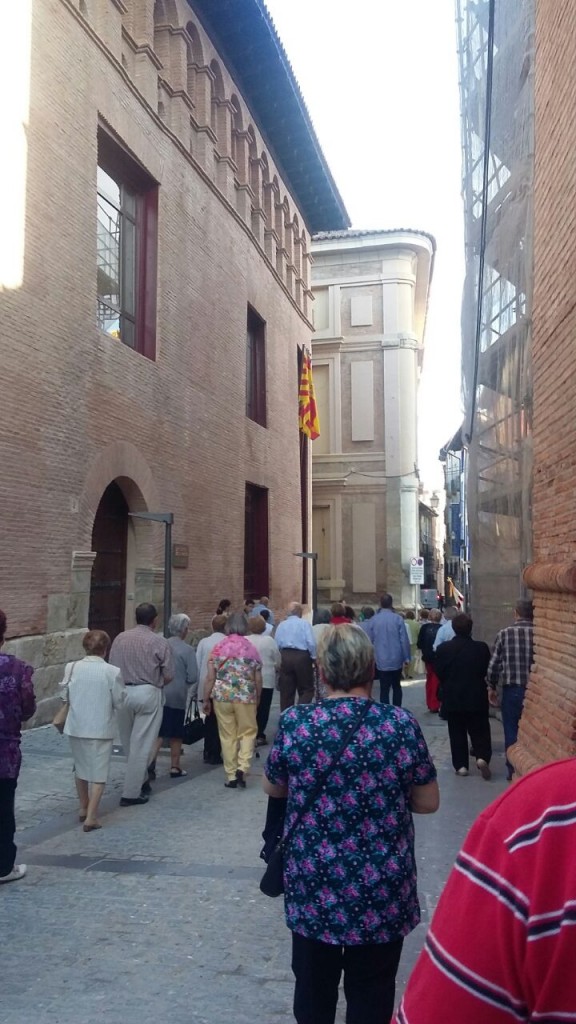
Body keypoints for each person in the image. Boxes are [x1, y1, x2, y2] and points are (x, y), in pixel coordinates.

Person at [264, 624, 439, 1024]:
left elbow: (274, 787)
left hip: (313, 883)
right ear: (371, 669)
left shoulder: (297, 723)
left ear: (322, 672)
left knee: (313, 991)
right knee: (372, 991)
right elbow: (428, 802)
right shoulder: (398, 725)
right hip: (381, 887)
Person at [394, 757, 576, 1024]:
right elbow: (428, 801)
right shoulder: (399, 733)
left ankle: (461, 763)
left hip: (325, 902)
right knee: (372, 980)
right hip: (384, 895)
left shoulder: (541, 816)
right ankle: (480, 754)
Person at [109, 603, 174, 806]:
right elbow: (169, 674)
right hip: (147, 691)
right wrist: (157, 684)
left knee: (128, 742)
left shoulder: (120, 638)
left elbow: (111, 666)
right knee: (142, 743)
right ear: (154, 620)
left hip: (123, 691)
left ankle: (142, 780)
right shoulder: (159, 641)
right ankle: (131, 793)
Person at [61, 629, 126, 830]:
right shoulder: (112, 672)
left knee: (80, 767)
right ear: (105, 649)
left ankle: (83, 806)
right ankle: (91, 816)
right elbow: (119, 701)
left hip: (77, 725)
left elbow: (64, 695)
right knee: (99, 772)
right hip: (101, 727)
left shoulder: (71, 667)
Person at [203, 613, 262, 788]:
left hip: (222, 695)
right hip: (245, 695)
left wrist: (205, 699)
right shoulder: (251, 648)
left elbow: (210, 677)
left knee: (227, 735)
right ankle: (243, 766)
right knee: (248, 732)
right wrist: (258, 696)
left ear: (227, 627)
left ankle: (231, 775)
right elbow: (258, 678)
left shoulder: (218, 647)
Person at [0, 610, 36, 884]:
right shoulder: (17, 668)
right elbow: (27, 709)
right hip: (5, 753)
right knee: (3, 808)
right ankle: (3, 867)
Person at [434, 614, 492, 779]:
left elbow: (439, 672)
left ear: (453, 628)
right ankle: (482, 756)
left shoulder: (443, 649)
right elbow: (484, 669)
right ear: (470, 628)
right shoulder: (481, 648)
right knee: (480, 729)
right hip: (476, 695)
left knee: (456, 731)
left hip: (453, 696)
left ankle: (461, 765)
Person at [487, 598, 534, 781]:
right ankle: (530, 769)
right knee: (533, 731)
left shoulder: (504, 634)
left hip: (512, 690)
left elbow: (494, 665)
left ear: (516, 613)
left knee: (511, 730)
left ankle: (513, 769)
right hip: (535, 691)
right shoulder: (540, 634)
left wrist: (491, 687)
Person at [149, 613, 198, 778]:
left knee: (158, 731)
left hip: (159, 691)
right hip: (177, 694)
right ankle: (175, 766)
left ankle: (150, 762)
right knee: (176, 733)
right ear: (184, 630)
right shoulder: (187, 650)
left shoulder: (159, 645)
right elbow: (193, 676)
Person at [363, 593, 410, 705]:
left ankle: (385, 709)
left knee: (384, 688)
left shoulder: (374, 620)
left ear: (380, 603)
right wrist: (406, 657)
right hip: (396, 657)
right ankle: (397, 709)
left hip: (381, 658)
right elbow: (404, 640)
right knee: (396, 686)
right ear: (391, 603)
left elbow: (369, 640)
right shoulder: (398, 619)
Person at [196, 614, 227, 765]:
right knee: (220, 720)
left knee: (209, 719)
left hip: (205, 683)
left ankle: (207, 749)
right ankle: (215, 751)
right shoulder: (227, 643)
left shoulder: (204, 642)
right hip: (221, 685)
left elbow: (198, 663)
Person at [274, 602, 317, 711]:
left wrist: (279, 659)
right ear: (299, 612)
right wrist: (314, 657)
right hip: (302, 656)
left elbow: (276, 643)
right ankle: (300, 711)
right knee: (306, 688)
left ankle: (286, 715)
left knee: (286, 690)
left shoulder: (282, 625)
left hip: (285, 655)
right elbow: (311, 643)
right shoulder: (304, 624)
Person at [247, 615, 281, 746]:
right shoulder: (269, 641)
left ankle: (249, 732)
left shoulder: (245, 640)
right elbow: (277, 658)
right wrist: (277, 666)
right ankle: (259, 734)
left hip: (249, 678)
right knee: (264, 707)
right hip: (266, 677)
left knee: (249, 707)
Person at [417, 609, 441, 713]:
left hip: (427, 658)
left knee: (429, 680)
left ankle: (430, 703)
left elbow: (419, 644)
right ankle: (435, 703)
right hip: (438, 658)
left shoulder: (424, 628)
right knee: (436, 681)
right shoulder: (441, 628)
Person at [403, 611, 420, 680]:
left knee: (404, 657)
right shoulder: (416, 624)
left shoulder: (403, 622)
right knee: (412, 658)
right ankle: (410, 673)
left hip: (404, 643)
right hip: (413, 643)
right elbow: (418, 633)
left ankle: (405, 672)